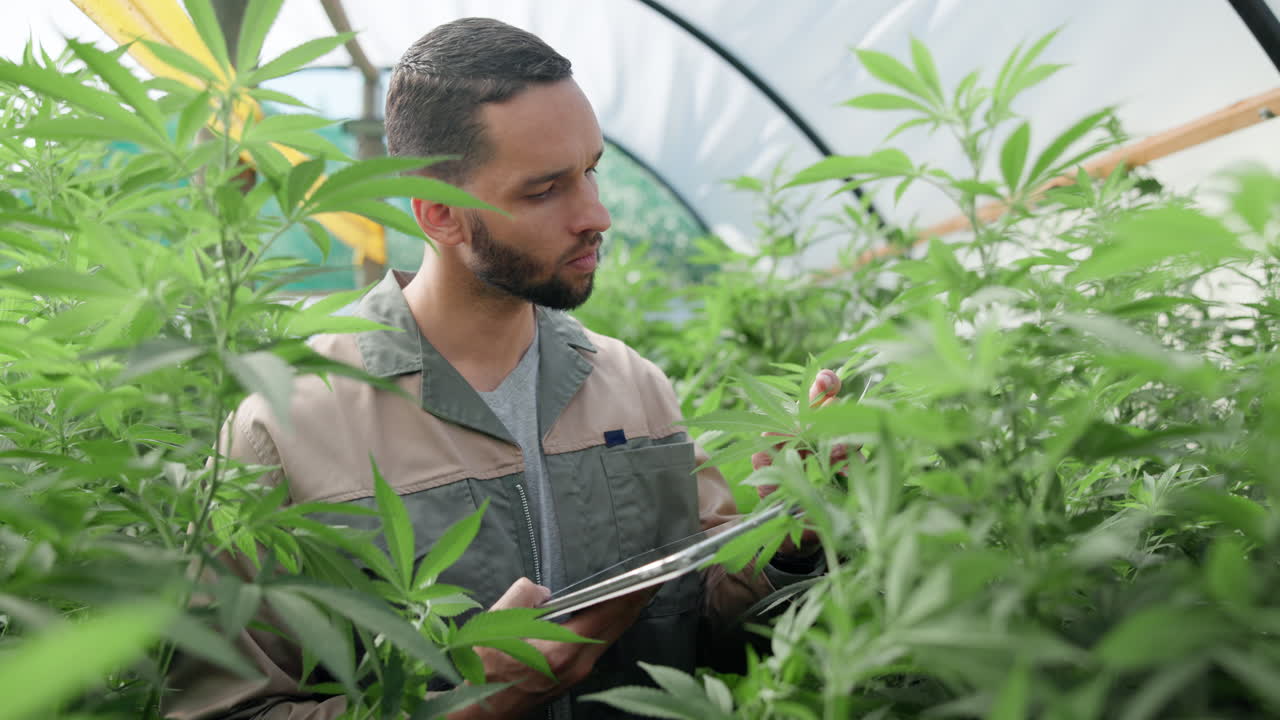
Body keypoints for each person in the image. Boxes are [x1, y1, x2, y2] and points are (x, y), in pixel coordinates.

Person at [166, 17, 834, 720]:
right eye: (544, 190)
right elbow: (224, 707)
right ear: (441, 216)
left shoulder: (635, 390)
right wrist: (468, 707)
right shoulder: (287, 424)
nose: (596, 214)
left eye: (592, 171)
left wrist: (786, 549)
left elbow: (706, 635)